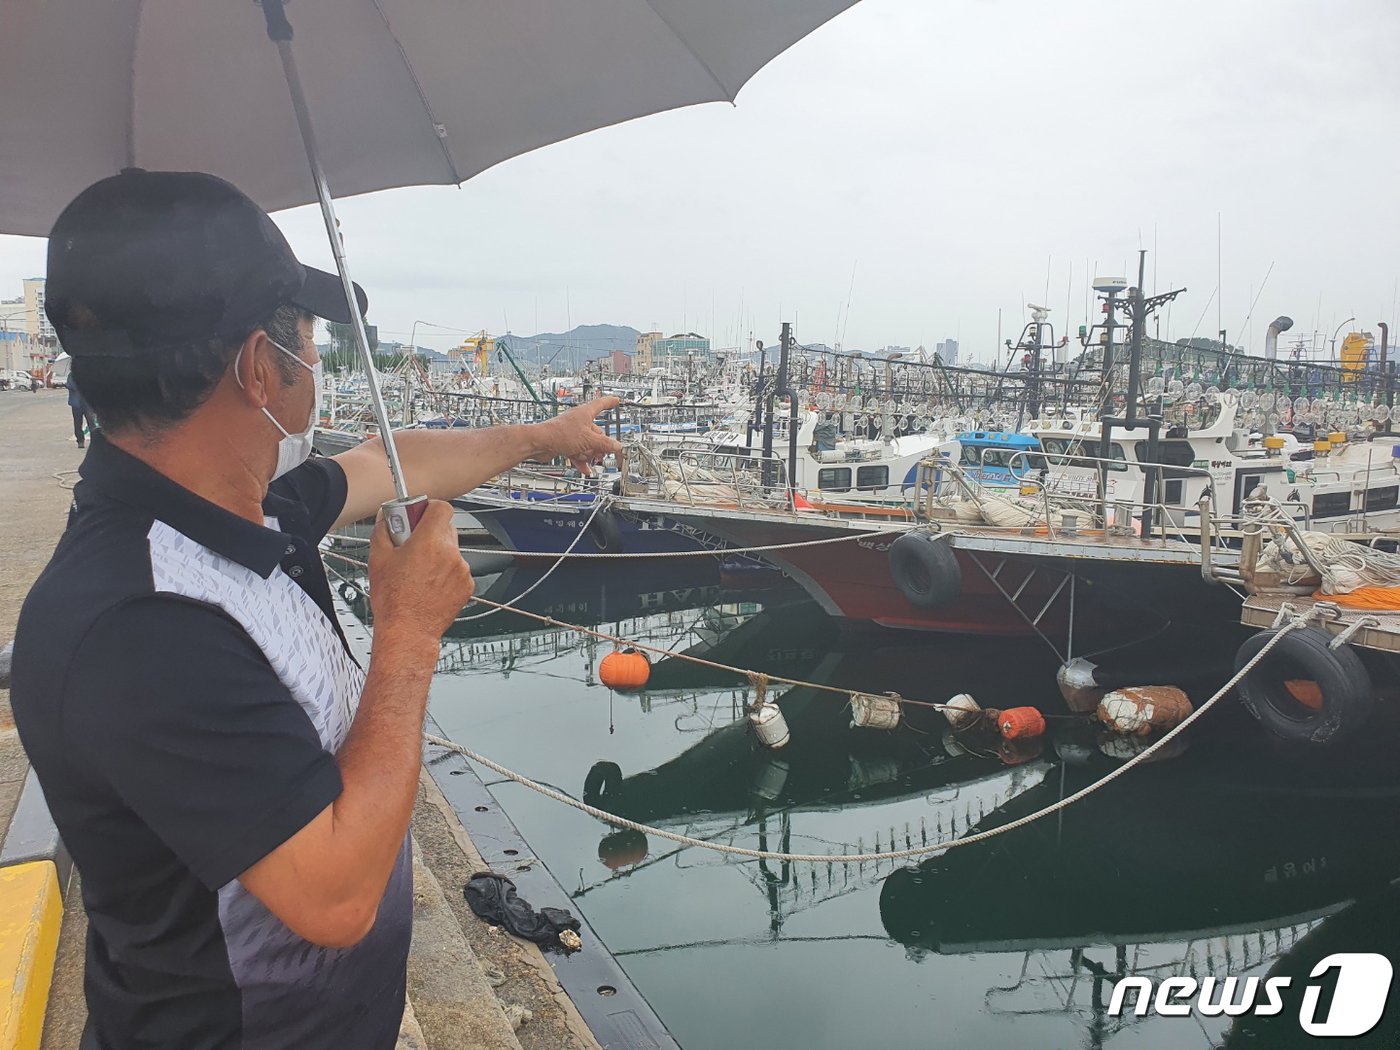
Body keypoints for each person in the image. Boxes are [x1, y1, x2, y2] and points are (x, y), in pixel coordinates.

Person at [10, 170, 622, 1050]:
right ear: (262, 368)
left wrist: (543, 437)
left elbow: (388, 460)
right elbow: (336, 894)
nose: (317, 368)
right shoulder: (142, 626)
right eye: (309, 344)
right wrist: (408, 631)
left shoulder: (245, 512)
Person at [66, 369, 98, 446]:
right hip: (76, 403)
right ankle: (80, 441)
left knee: (91, 422)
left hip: (87, 403)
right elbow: (70, 385)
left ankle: (95, 440)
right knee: (77, 423)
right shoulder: (71, 375)